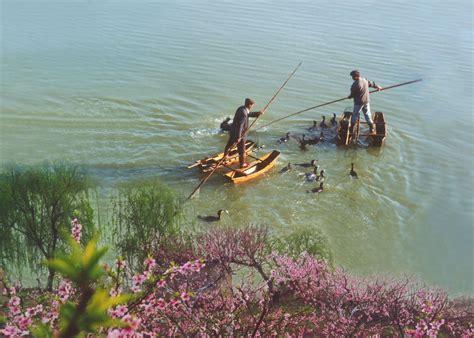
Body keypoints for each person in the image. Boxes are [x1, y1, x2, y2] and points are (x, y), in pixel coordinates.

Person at [224, 98, 263, 168]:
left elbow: (249, 114)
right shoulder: (244, 113)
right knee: (242, 150)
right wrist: (238, 137)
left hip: (233, 130)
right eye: (252, 105)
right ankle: (242, 164)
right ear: (250, 105)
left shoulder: (241, 108)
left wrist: (257, 113)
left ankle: (225, 156)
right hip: (240, 134)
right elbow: (240, 126)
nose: (253, 107)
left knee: (229, 144)